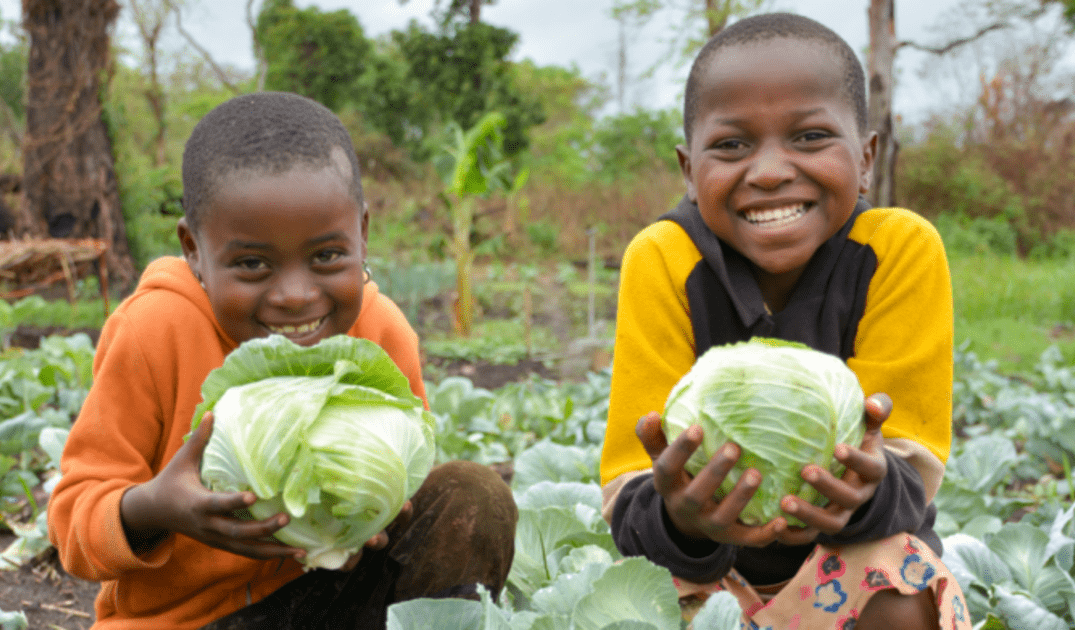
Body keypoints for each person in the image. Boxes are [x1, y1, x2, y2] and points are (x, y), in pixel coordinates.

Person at [47, 92, 517, 630]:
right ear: (193, 248)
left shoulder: (383, 331)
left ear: (362, 233)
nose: (295, 295)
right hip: (186, 624)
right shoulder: (154, 331)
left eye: (326, 256)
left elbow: (405, 482)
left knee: (474, 497)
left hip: (329, 602)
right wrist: (155, 508)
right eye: (252, 264)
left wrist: (377, 507)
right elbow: (71, 523)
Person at [599, 13, 970, 630]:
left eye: (810, 137)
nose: (769, 171)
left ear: (868, 157)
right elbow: (629, 487)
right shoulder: (662, 256)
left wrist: (868, 491)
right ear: (689, 171)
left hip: (848, 569)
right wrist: (680, 518)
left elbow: (912, 473)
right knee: (630, 610)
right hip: (707, 579)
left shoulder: (900, 249)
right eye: (731, 145)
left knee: (902, 598)